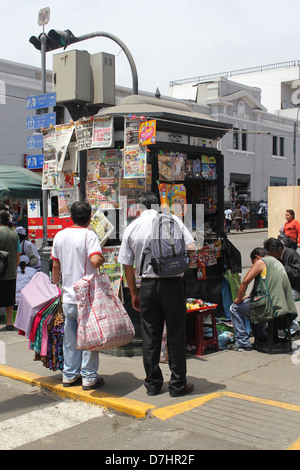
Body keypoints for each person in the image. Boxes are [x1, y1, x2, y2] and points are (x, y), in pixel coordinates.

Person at [118, 191, 196, 397]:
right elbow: (192, 248)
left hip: (147, 286)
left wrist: (134, 293)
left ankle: (153, 384)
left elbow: (127, 264)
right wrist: (176, 265)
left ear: (139, 209)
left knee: (150, 336)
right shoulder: (173, 221)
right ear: (157, 206)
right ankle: (178, 384)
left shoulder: (132, 227)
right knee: (176, 335)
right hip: (173, 285)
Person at [51, 201, 105, 390]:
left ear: (71, 216)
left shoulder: (60, 235)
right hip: (86, 297)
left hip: (68, 296)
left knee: (70, 338)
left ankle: (69, 375)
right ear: (90, 217)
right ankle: (89, 377)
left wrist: (55, 283)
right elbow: (95, 259)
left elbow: (55, 265)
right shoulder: (89, 236)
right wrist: (102, 258)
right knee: (89, 337)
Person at [227, 247, 297, 351]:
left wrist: (239, 299)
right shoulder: (276, 262)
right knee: (252, 303)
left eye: (253, 262)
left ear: (257, 257)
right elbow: (266, 285)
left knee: (235, 308)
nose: (254, 265)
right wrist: (250, 296)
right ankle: (261, 335)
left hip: (271, 307)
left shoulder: (261, 262)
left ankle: (242, 343)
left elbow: (245, 281)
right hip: (284, 306)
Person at [263, 237, 300, 339]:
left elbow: (298, 273)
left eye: (271, 253)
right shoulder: (276, 257)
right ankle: (272, 325)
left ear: (279, 249)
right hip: (283, 287)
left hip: (296, 287)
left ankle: (294, 330)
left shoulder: (292, 254)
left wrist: (283, 267)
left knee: (283, 299)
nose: (271, 256)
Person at [0, 210, 21, 330]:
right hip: (10, 271)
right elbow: (18, 253)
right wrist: (14, 266)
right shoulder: (15, 234)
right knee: (9, 298)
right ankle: (9, 322)